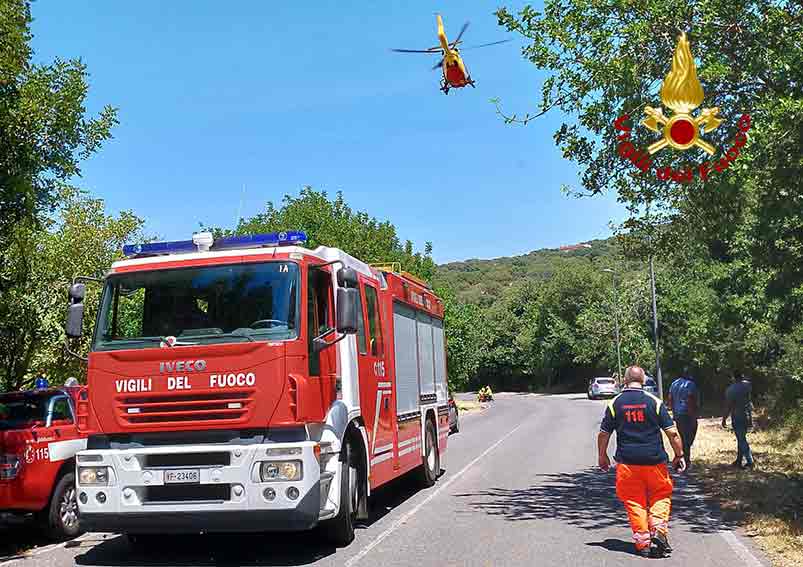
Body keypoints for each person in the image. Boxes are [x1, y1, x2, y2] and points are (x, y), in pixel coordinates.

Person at [598, 365, 686, 558]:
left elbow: (604, 434)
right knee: (661, 494)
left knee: (633, 500)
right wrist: (679, 455)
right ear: (644, 380)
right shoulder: (654, 402)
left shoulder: (615, 403)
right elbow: (672, 432)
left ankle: (643, 543)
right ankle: (659, 529)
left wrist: (602, 456)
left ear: (624, 380)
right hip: (654, 462)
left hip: (627, 463)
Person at [667, 368, 700, 470]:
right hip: (687, 414)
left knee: (682, 436)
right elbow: (690, 399)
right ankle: (686, 460)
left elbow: (670, 398)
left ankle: (681, 456)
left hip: (678, 415)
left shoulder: (674, 384)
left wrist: (673, 412)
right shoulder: (690, 384)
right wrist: (692, 415)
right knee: (688, 438)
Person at [722, 370, 754, 469]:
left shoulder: (730, 390)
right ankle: (739, 460)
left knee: (741, 439)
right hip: (747, 414)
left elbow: (729, 406)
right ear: (742, 376)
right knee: (741, 437)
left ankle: (750, 461)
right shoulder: (747, 385)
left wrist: (724, 418)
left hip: (737, 415)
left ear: (733, 377)